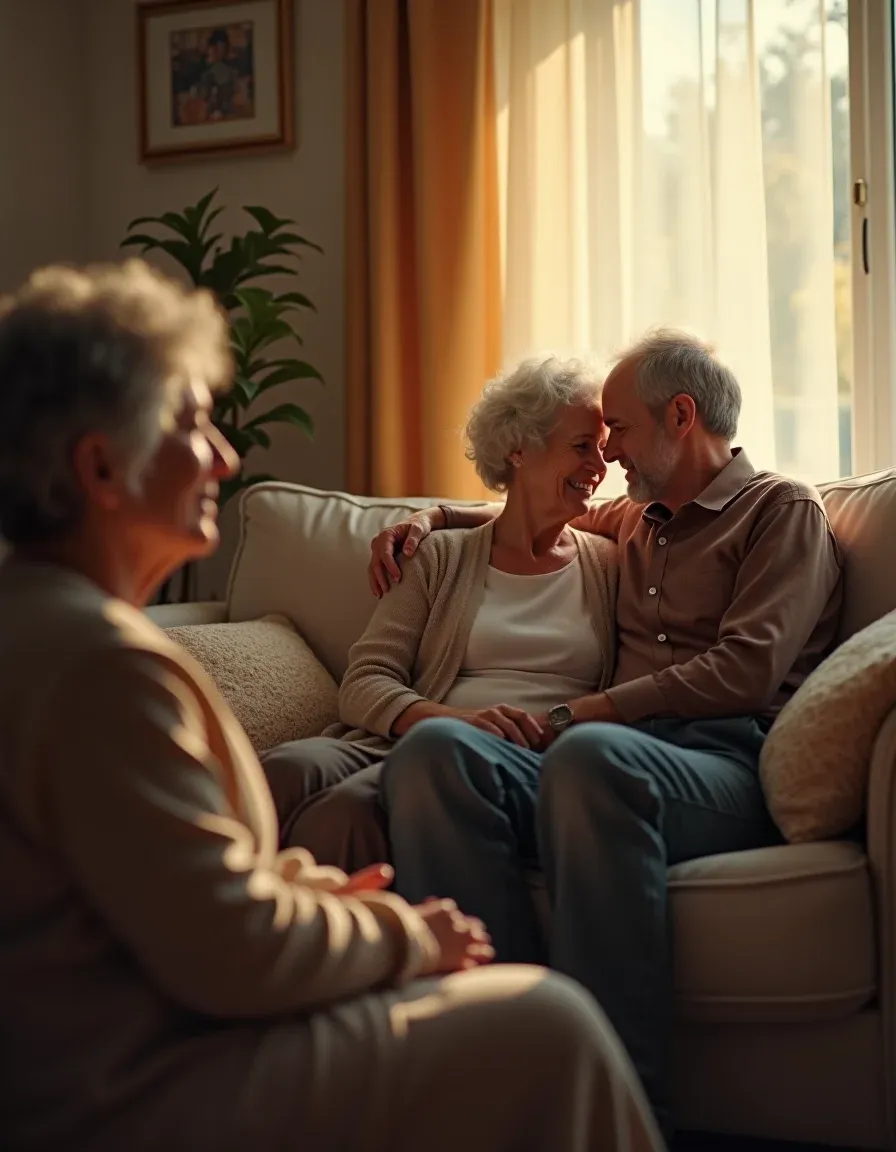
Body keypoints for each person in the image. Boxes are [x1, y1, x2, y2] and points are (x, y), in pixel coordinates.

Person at [0, 260, 664, 1152]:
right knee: (551, 1021)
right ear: (101, 465)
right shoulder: (100, 669)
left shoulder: (54, 630)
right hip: (137, 1079)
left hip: (139, 1036)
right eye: (194, 426)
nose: (227, 460)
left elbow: (185, 885)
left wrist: (315, 898)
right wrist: (405, 936)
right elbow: (229, 946)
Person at [367, 328, 844, 1137]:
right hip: (605, 765)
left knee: (589, 754)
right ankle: (508, 1066)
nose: (607, 452)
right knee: (436, 755)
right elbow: (524, 507)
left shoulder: (780, 510)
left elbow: (745, 673)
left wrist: (580, 714)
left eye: (617, 429)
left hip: (724, 767)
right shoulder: (640, 517)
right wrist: (431, 516)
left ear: (681, 416)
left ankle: (618, 1116)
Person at [262, 355, 617, 897]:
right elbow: (365, 683)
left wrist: (467, 736)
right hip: (410, 737)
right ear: (519, 449)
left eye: (603, 445)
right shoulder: (438, 557)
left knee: (348, 815)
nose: (602, 463)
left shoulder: (612, 563)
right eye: (582, 445)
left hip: (513, 761)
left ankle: (325, 957)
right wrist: (455, 720)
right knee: (285, 767)